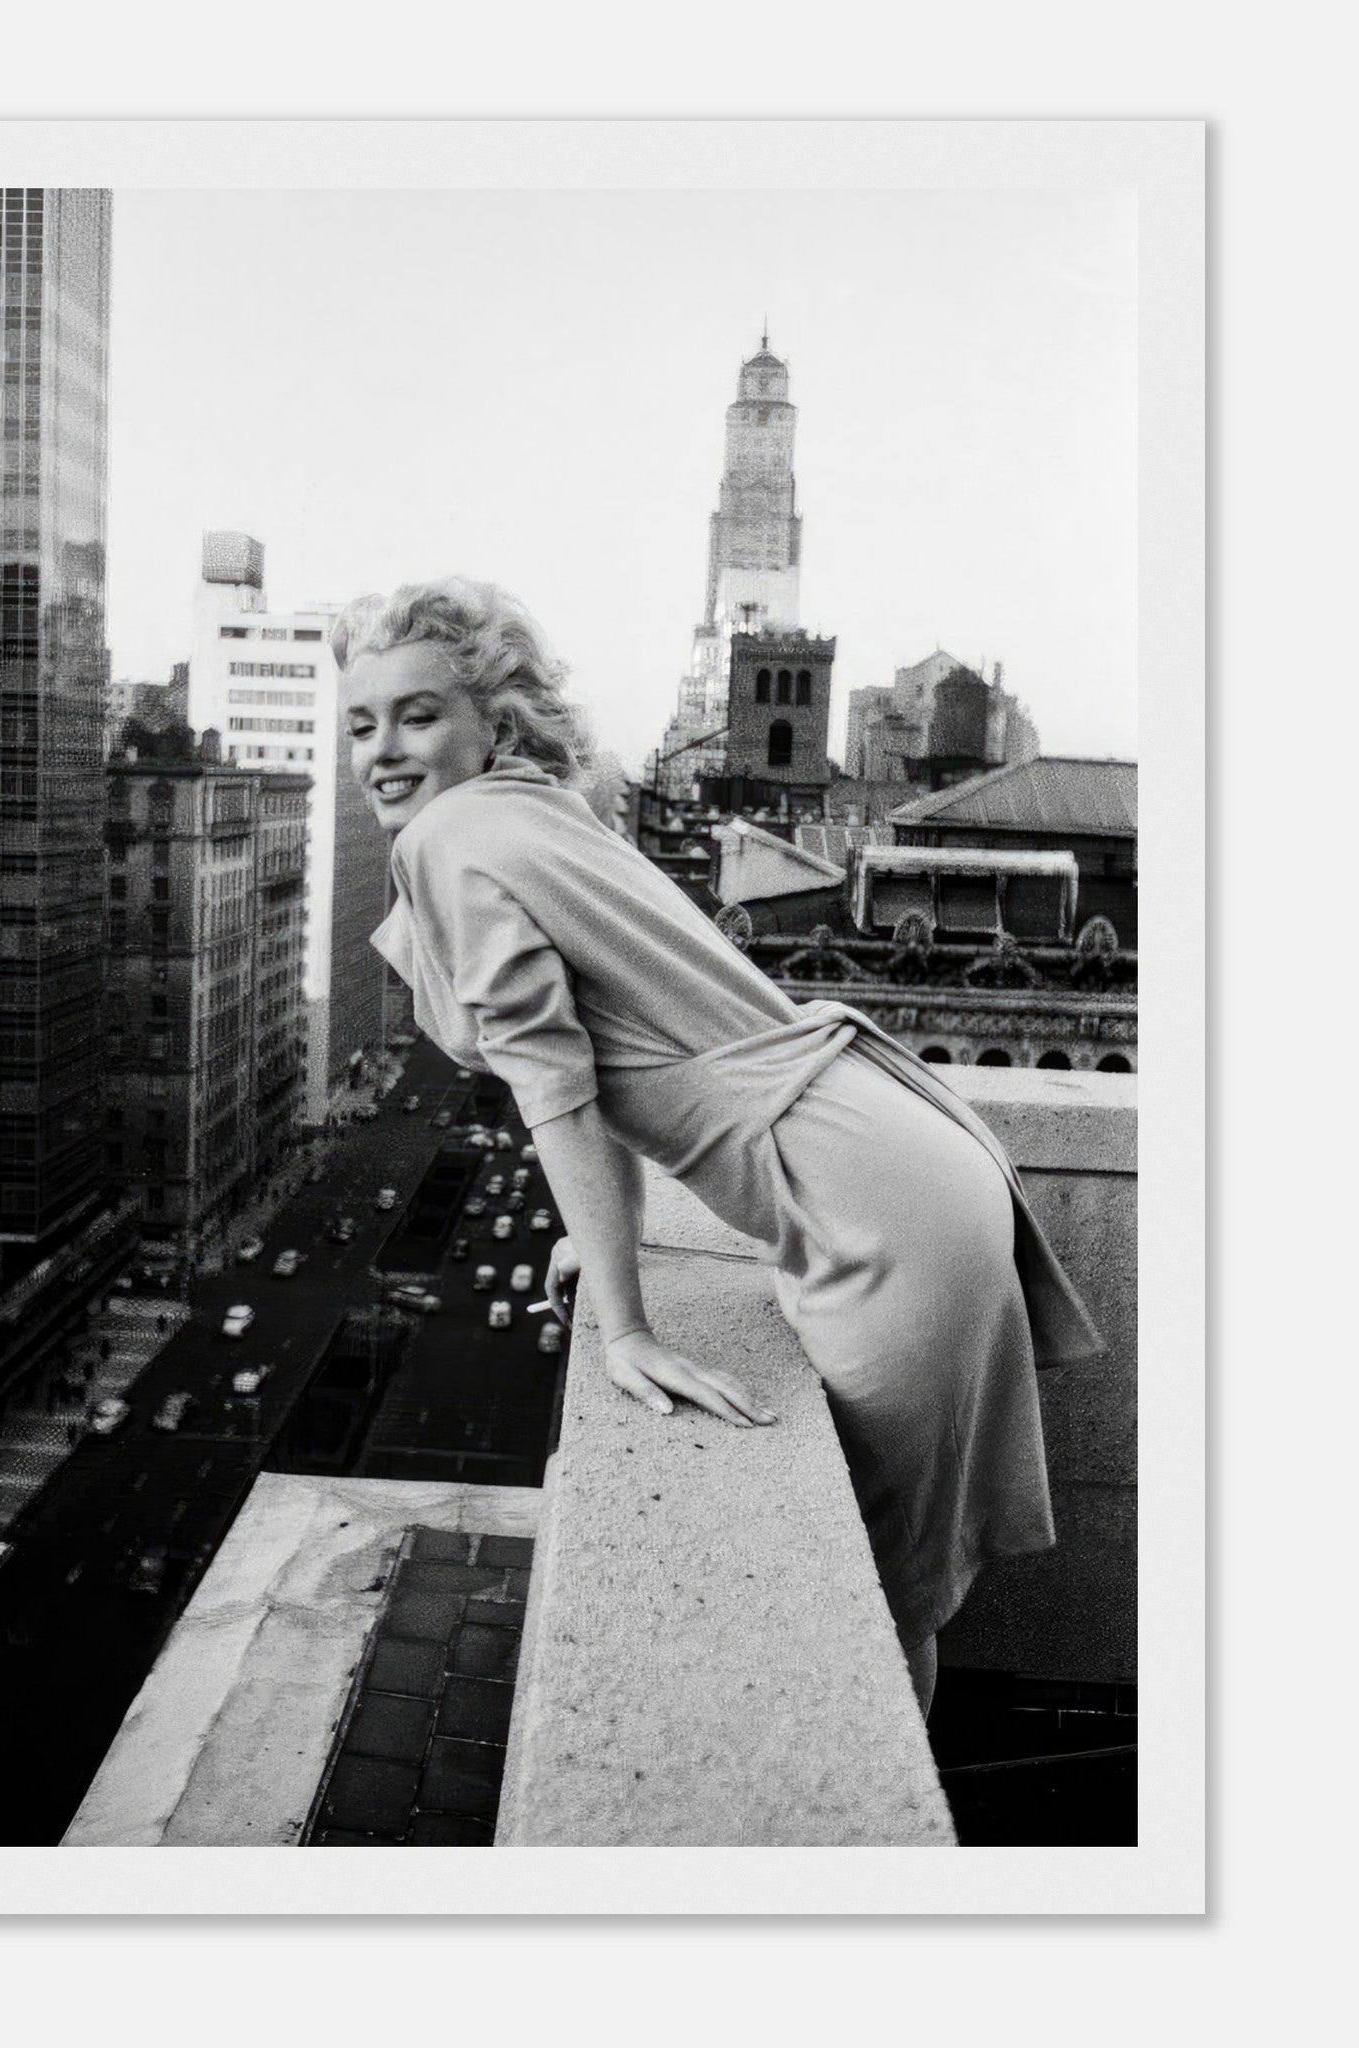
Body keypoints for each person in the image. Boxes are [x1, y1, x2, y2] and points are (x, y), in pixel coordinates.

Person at [335, 579, 1106, 1713]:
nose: (382, 751)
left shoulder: (454, 837)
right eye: (360, 723)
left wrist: (628, 1327)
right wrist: (599, 1250)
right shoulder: (534, 806)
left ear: (490, 722)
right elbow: (612, 1063)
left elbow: (558, 1097)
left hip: (871, 1204)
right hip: (898, 1150)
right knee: (896, 1601)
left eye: (417, 714)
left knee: (873, 1620)